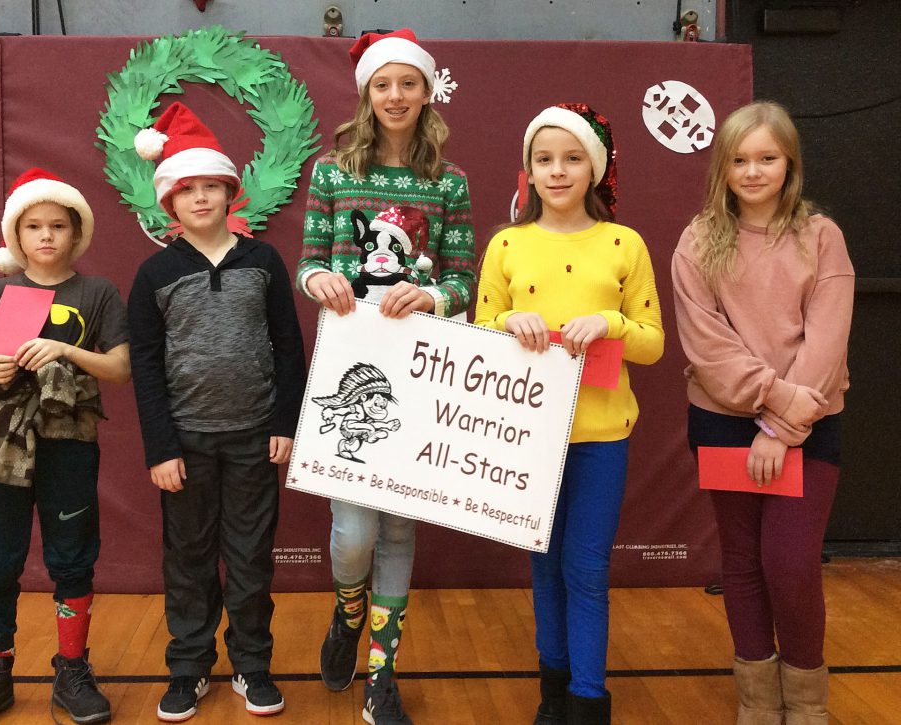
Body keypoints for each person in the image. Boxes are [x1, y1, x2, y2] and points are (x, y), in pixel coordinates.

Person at [296, 28, 475, 725]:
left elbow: (464, 277)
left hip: (419, 371)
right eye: (383, 84)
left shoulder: (449, 180)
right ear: (366, 93)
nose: (395, 95)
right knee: (354, 534)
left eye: (408, 83)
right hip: (348, 365)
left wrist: (432, 297)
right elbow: (309, 257)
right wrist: (319, 280)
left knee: (400, 528)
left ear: (427, 91)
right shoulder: (332, 171)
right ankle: (347, 612)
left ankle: (381, 671)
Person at [475, 104, 664, 724]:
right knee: (543, 565)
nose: (557, 172)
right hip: (526, 434)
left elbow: (653, 342)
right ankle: (552, 692)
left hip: (601, 436)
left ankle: (588, 701)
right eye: (544, 159)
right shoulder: (507, 244)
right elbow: (478, 330)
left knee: (586, 569)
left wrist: (610, 322)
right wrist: (507, 322)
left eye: (572, 158)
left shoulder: (624, 244)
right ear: (528, 170)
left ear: (596, 168)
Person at [671, 101, 853, 725]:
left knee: (791, 562)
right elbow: (707, 346)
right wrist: (770, 406)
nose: (753, 172)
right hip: (722, 420)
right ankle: (756, 702)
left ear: (789, 164)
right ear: (722, 167)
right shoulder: (697, 241)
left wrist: (782, 427)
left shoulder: (821, 236)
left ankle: (806, 706)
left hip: (809, 422)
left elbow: (826, 342)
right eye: (740, 160)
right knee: (743, 563)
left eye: (767, 158)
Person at [128, 101, 306, 722]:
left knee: (252, 558)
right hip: (187, 444)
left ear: (230, 192)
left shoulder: (262, 263)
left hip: (256, 438)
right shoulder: (155, 272)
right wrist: (161, 448)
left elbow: (289, 346)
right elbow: (145, 366)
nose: (201, 198)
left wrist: (285, 423)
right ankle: (189, 667)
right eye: (188, 189)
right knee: (189, 558)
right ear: (168, 202)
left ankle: (252, 667)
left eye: (212, 187)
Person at [0, 168, 130, 725]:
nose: (46, 236)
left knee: (72, 554)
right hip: (4, 445)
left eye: (58, 225)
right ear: (16, 235)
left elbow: (120, 368)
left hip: (69, 442)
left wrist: (66, 352)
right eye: (33, 226)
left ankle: (72, 668)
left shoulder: (96, 293)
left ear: (77, 234)